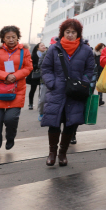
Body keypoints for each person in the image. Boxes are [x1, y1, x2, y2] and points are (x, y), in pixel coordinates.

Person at [41, 19, 95, 166]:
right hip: (57, 91)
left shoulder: (86, 50)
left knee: (71, 123)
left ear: (78, 33)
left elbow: (90, 69)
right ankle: (52, 153)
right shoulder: (54, 49)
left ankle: (62, 153)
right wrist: (52, 83)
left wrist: (83, 82)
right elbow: (46, 68)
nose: (70, 35)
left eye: (73, 32)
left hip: (76, 93)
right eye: (67, 32)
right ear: (62, 33)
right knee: (54, 123)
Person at [0, 26, 33, 154]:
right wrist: (5, 76)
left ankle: (10, 137)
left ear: (18, 37)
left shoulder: (24, 51)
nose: (11, 39)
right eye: (8, 37)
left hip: (17, 89)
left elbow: (28, 67)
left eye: (13, 37)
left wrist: (15, 76)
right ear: (3, 38)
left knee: (10, 119)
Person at [27, 42, 46, 109]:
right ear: (38, 48)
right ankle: (30, 104)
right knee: (33, 90)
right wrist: (37, 66)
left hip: (42, 75)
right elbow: (31, 65)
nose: (43, 46)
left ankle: (39, 104)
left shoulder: (46, 54)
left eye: (44, 45)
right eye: (41, 45)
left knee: (41, 91)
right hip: (35, 75)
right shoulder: (35, 55)